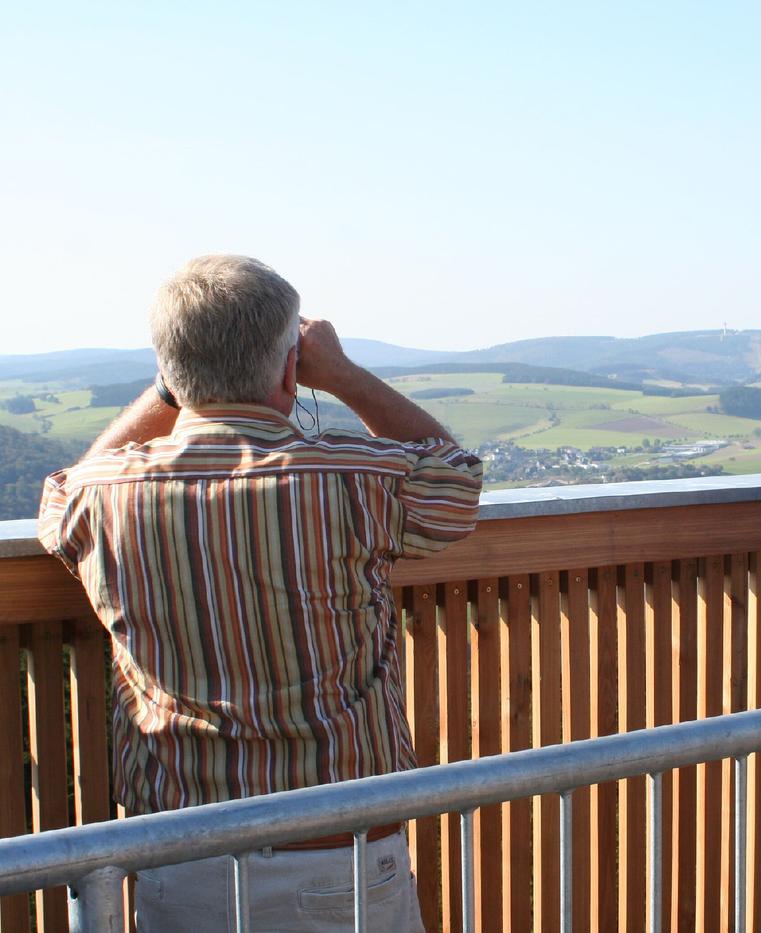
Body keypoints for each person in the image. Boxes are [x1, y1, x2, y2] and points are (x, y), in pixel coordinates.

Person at [38, 255, 483, 932]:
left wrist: (168, 391)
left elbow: (65, 493)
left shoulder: (104, 495)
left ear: (169, 368)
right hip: (342, 856)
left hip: (181, 862)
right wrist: (341, 374)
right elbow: (456, 480)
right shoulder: (352, 476)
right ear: (290, 368)